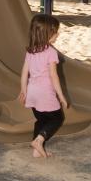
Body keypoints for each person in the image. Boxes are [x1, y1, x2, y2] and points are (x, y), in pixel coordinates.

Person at [18, 13, 68, 158]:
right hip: (45, 92)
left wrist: (24, 91)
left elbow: (24, 73)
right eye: (55, 32)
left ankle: (36, 151)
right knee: (57, 118)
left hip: (32, 91)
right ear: (47, 34)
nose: (58, 34)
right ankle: (39, 140)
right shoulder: (51, 52)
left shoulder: (30, 51)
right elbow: (53, 76)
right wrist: (61, 96)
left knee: (41, 120)